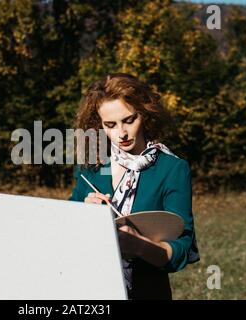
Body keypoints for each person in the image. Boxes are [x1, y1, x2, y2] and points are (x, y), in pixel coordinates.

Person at [69, 73, 199, 300]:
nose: (121, 134)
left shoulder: (172, 169)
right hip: (90, 289)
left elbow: (183, 248)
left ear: (145, 113)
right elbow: (65, 227)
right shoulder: (91, 165)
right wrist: (82, 212)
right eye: (110, 125)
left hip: (146, 291)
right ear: (97, 124)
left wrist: (140, 247)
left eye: (129, 120)